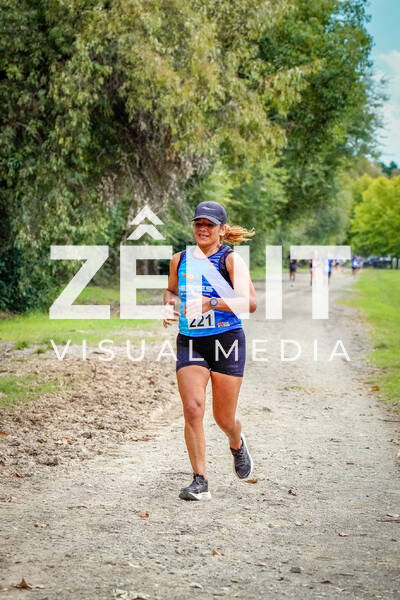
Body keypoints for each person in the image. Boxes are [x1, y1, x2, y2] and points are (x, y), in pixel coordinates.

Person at [163, 200, 258, 501]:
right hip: (191, 340)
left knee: (224, 418)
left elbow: (250, 303)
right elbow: (171, 291)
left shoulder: (230, 260)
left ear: (222, 229)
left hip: (226, 340)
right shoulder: (179, 260)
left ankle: (236, 442)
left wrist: (211, 303)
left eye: (209, 225)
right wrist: (168, 304)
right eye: (198, 224)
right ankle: (199, 480)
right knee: (193, 408)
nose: (203, 229)